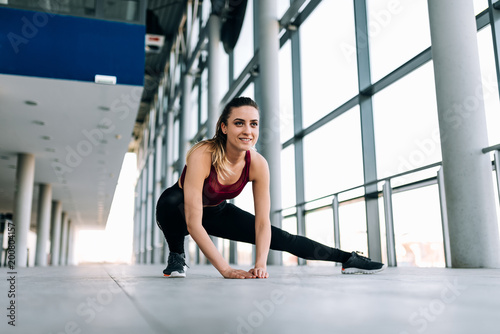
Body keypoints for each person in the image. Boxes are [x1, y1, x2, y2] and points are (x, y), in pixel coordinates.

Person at [156, 96, 385, 279]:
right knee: (170, 200)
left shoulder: (257, 164)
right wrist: (225, 269)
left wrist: (260, 264)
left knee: (284, 238)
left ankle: (348, 259)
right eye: (239, 123)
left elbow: (263, 222)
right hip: (179, 211)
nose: (248, 131)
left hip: (217, 211)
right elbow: (194, 223)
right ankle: (177, 255)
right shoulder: (202, 154)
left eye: (253, 124)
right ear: (224, 127)